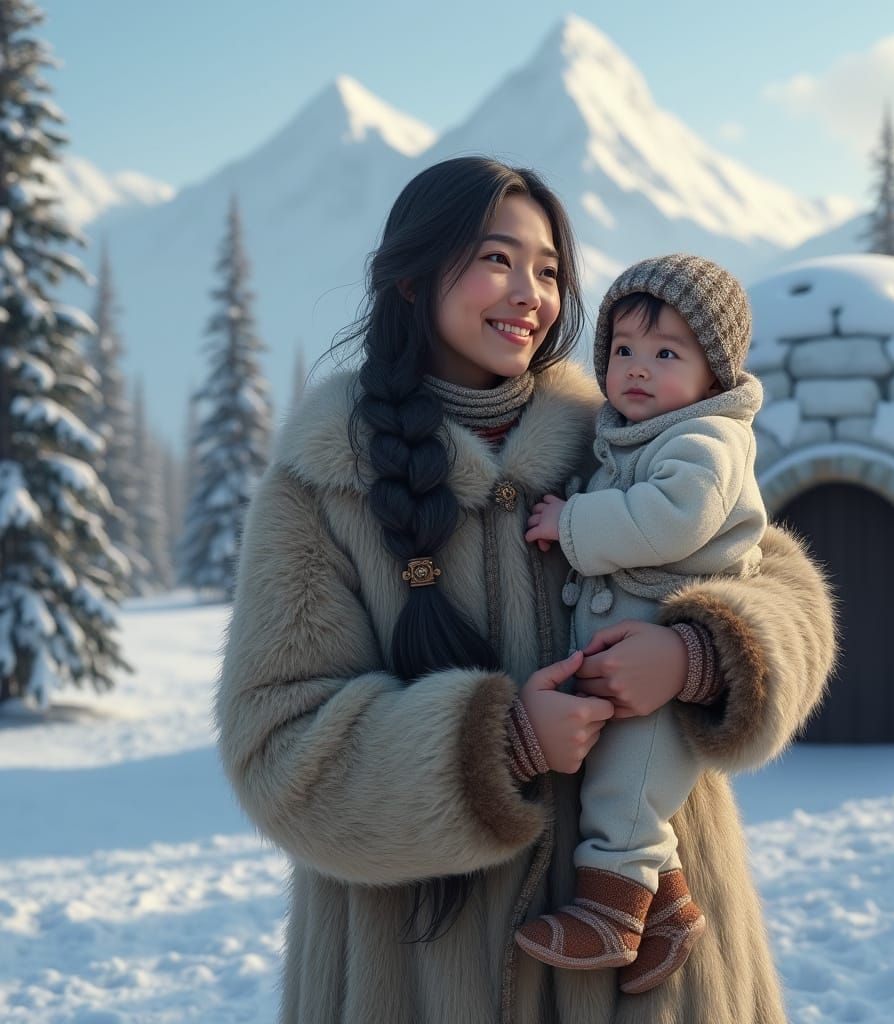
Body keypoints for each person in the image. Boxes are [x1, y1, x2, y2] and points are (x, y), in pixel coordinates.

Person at [215, 156, 836, 1024]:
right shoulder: (324, 484)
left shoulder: (626, 429)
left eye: (549, 270)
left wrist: (697, 655)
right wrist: (497, 742)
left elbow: (784, 586)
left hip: (651, 981)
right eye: (497, 259)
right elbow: (277, 748)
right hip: (419, 976)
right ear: (410, 279)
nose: (530, 293)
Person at [516, 254, 767, 995]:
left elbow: (671, 519)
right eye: (623, 350)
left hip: (664, 666)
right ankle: (668, 910)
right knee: (633, 787)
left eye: (666, 354)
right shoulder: (638, 435)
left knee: (626, 793)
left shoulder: (706, 442)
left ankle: (609, 912)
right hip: (631, 659)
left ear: (714, 374)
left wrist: (574, 522)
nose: (637, 368)